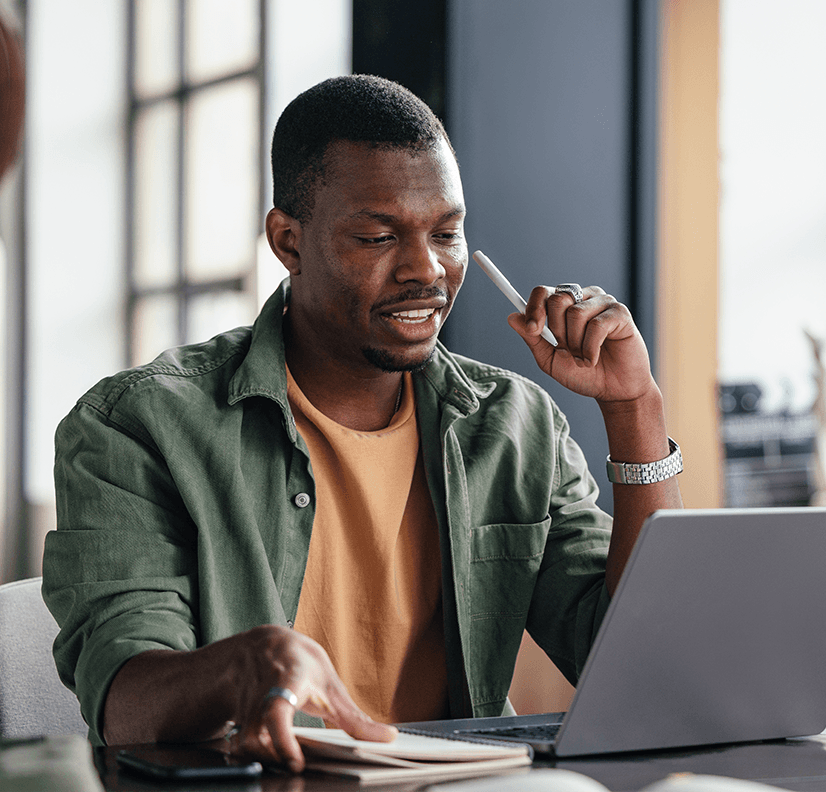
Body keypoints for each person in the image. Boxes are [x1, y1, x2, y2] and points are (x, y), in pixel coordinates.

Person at [42, 75, 682, 773]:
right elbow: (123, 703)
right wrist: (242, 669)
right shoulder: (137, 426)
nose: (426, 269)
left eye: (448, 233)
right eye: (378, 236)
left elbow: (640, 668)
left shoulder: (513, 425)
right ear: (288, 241)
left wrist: (634, 410)